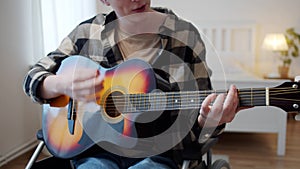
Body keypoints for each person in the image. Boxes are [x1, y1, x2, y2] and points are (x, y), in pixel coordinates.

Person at [23, 0, 240, 168]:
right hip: (96, 151)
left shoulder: (184, 35)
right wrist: (60, 84)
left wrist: (210, 120)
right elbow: (33, 77)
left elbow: (203, 111)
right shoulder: (87, 33)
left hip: (160, 154)